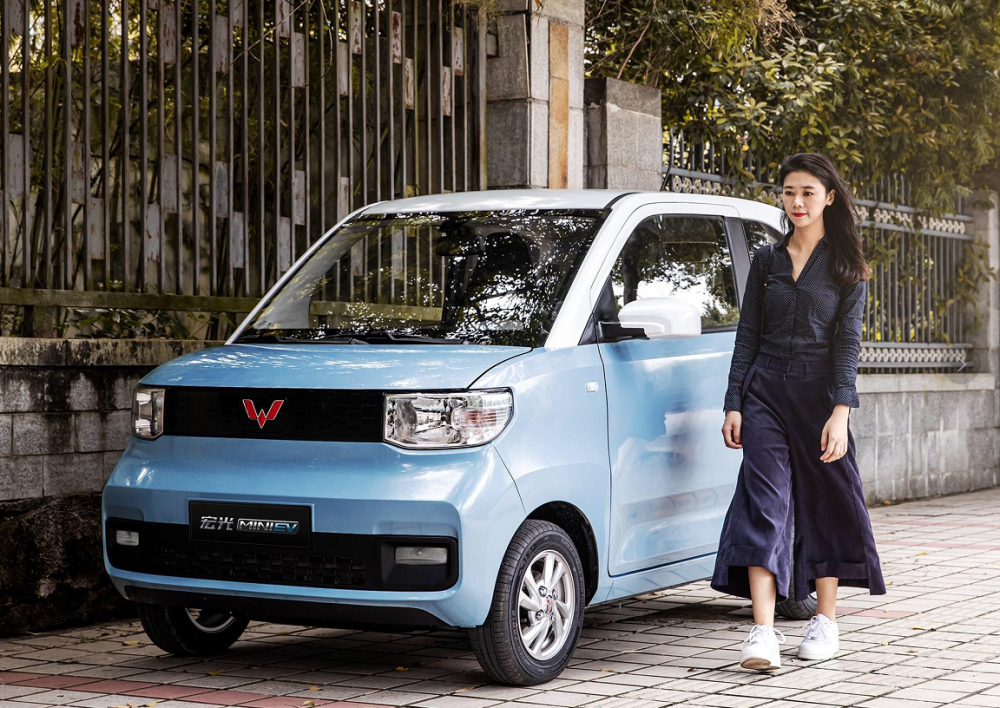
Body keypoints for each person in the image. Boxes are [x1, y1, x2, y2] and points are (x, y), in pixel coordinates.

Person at [713, 152, 886, 671]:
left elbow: (847, 344)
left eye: (808, 192)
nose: (797, 202)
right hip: (765, 391)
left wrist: (841, 411)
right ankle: (763, 632)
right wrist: (734, 402)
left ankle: (824, 621)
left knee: (824, 502)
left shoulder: (846, 266)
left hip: (819, 395)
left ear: (829, 197)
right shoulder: (766, 260)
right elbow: (747, 336)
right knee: (763, 503)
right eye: (789, 192)